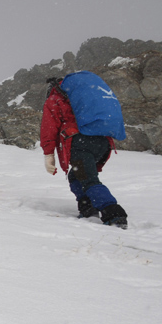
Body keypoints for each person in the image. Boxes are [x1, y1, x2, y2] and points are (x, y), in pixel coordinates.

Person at [40, 76, 127, 228]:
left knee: (88, 178)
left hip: (80, 143)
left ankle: (113, 212)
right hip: (102, 142)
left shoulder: (56, 98)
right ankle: (87, 207)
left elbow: (49, 129)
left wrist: (48, 154)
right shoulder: (83, 95)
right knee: (76, 175)